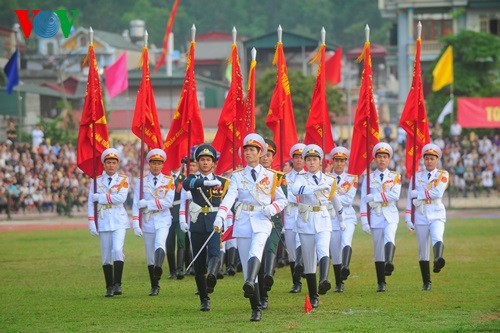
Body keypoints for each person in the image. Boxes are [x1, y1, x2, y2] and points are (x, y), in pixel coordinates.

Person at [215, 133, 287, 322]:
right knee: (248, 268)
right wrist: (220, 216)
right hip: (243, 220)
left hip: (263, 220)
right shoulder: (238, 176)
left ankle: (249, 282)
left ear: (260, 152)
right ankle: (255, 308)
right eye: (246, 150)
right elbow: (230, 197)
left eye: (252, 150)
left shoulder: (271, 176)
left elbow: (282, 200)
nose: (248, 152)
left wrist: (271, 209)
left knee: (257, 249)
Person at [291, 144, 344, 309]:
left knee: (323, 249)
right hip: (306, 220)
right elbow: (295, 190)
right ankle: (314, 296)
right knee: (308, 261)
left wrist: (341, 218)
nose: (312, 162)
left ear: (320, 161)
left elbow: (335, 199)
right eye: (309, 159)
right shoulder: (300, 177)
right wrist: (316, 187)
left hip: (322, 218)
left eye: (315, 159)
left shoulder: (329, 179)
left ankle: (324, 280)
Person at [181, 144, 229, 311]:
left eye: (209, 160)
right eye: (202, 159)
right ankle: (204, 298)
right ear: (198, 162)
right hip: (198, 223)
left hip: (215, 221)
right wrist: (208, 183)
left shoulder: (223, 181)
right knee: (199, 261)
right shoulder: (191, 179)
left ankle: (212, 277)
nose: (205, 163)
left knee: (215, 252)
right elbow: (188, 185)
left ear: (214, 163)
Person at [405, 143, 449, 291]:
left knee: (437, 236)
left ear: (437, 160)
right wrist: (407, 217)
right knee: (423, 249)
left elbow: (438, 193)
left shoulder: (443, 174)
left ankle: (438, 259)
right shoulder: (416, 176)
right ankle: (427, 281)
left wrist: (419, 194)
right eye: (427, 158)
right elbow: (408, 198)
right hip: (421, 214)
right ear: (423, 159)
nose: (429, 161)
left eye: (432, 158)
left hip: (436, 212)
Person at [87, 148, 130, 297]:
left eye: (114, 163)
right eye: (108, 162)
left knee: (117, 250)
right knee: (106, 256)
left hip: (118, 220)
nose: (111, 165)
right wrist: (92, 222)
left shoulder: (123, 180)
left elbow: (121, 199)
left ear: (118, 164)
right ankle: (109, 286)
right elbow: (89, 202)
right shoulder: (95, 181)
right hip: (103, 220)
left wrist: (100, 198)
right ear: (104, 164)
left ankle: (118, 283)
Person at [131, 149, 175, 296]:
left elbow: (168, 202)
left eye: (159, 163)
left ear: (163, 165)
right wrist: (136, 223)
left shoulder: (169, 181)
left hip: (163, 219)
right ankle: (154, 285)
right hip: (148, 220)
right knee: (150, 255)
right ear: (149, 164)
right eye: (153, 163)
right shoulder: (141, 181)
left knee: (160, 243)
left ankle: (158, 266)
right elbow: (136, 203)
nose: (156, 166)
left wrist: (148, 203)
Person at [360, 142, 401, 292]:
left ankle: (389, 262)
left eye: (385, 157)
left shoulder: (395, 176)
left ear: (389, 159)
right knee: (378, 250)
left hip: (390, 213)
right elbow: (364, 199)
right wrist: (364, 221)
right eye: (379, 157)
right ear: (375, 160)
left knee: (390, 236)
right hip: (375, 216)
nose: (382, 160)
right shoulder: (369, 178)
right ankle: (381, 282)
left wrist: (375, 197)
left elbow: (394, 195)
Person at [257, 139, 285, 309]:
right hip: (256, 220)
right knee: (258, 256)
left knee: (270, 249)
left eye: (269, 155)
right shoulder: (250, 175)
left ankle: (268, 276)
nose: (266, 158)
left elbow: (285, 200)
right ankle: (262, 292)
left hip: (273, 221)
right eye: (263, 154)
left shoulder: (279, 177)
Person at [328, 146, 358, 292]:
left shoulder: (352, 179)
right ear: (332, 161)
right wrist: (335, 198)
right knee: (334, 250)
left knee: (346, 241)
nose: (339, 163)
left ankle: (345, 267)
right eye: (337, 160)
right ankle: (339, 283)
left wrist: (333, 197)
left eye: (342, 160)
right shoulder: (326, 178)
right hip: (332, 217)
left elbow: (348, 199)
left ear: (345, 162)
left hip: (347, 216)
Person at [283, 143, 306, 294]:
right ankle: (296, 282)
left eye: (301, 157)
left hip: (305, 214)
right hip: (291, 214)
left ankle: (303, 266)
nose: (298, 160)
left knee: (302, 243)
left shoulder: (309, 176)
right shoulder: (285, 178)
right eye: (296, 157)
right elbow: (285, 195)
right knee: (291, 249)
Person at [166, 166, 186, 279]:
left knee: (181, 240)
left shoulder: (184, 178)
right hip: (167, 213)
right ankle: (172, 270)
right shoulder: (165, 178)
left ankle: (179, 269)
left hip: (180, 212)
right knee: (169, 242)